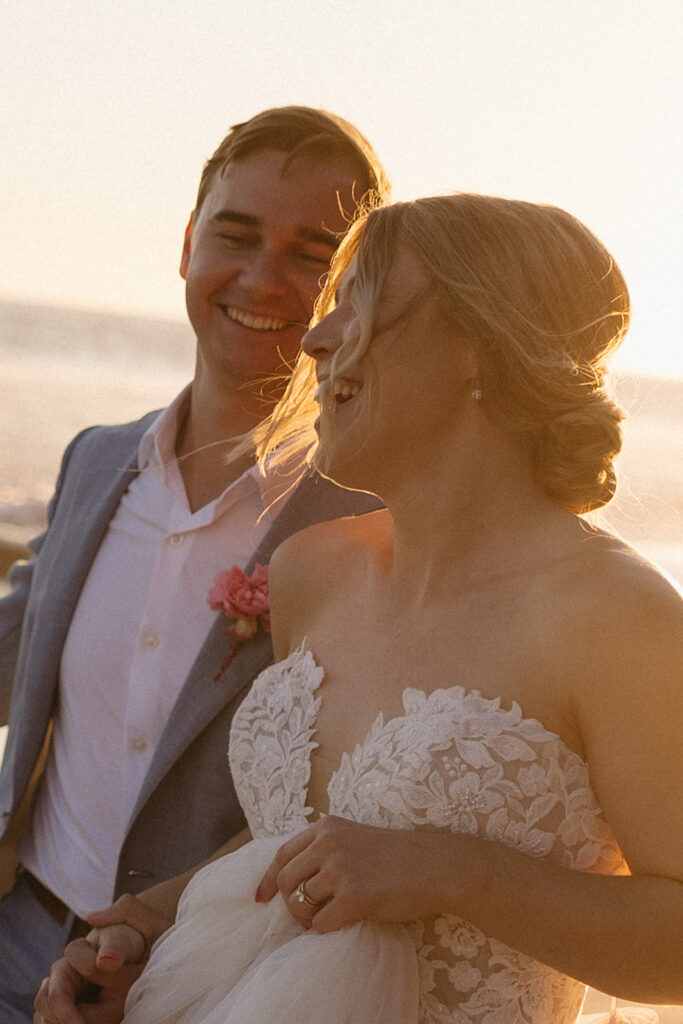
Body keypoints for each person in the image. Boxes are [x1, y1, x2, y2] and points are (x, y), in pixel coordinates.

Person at [36, 194, 683, 1023]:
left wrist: (450, 870)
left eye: (359, 302)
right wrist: (158, 934)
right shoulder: (311, 570)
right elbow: (304, 838)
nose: (313, 336)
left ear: (475, 346)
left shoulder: (616, 619)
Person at [0, 104, 390, 1020]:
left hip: (192, 980)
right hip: (17, 925)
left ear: (359, 290)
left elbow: (357, 792)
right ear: (186, 243)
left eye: (314, 254)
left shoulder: (370, 523)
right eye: (236, 233)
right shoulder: (95, 461)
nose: (263, 278)